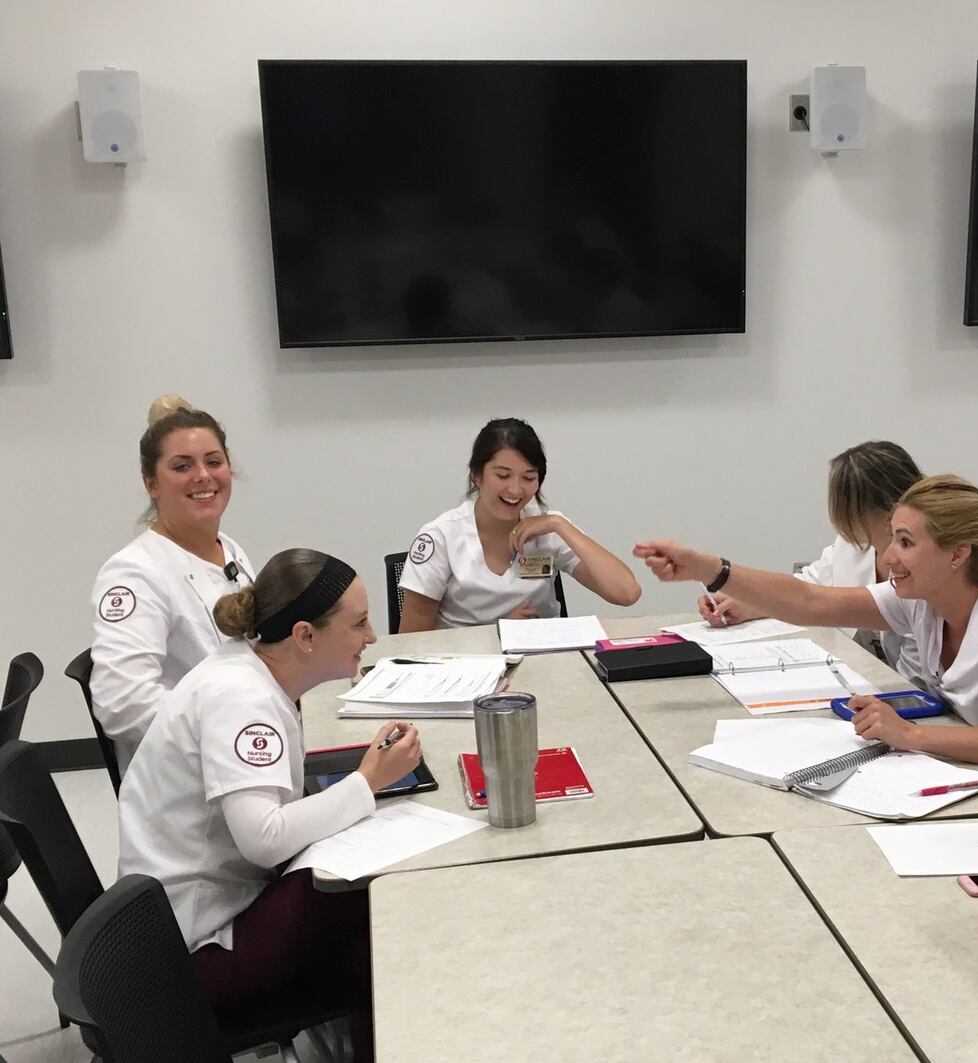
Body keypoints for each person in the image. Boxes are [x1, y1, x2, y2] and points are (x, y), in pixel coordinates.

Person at [118, 549, 420, 1063]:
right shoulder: (242, 700)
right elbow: (264, 840)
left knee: (366, 915)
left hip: (189, 918)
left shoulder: (246, 670)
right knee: (383, 903)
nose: (371, 637)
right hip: (196, 954)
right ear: (305, 636)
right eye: (360, 623)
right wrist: (366, 784)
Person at [636, 475, 978, 788]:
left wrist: (913, 737)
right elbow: (809, 602)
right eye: (890, 541)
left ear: (958, 553)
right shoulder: (923, 599)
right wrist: (711, 569)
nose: (887, 559)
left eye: (905, 543)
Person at [90, 396, 256, 770]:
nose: (203, 476)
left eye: (214, 462)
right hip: (188, 779)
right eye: (182, 466)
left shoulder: (229, 549)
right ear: (151, 483)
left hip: (245, 753)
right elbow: (122, 704)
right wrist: (229, 724)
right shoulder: (133, 575)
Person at [701, 440, 929, 682]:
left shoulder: (928, 567)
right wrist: (749, 604)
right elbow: (807, 589)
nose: (846, 523)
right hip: (871, 682)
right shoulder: (853, 544)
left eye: (850, 511)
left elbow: (918, 683)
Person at [399, 417, 640, 630]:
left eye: (529, 477)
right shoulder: (441, 536)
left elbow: (626, 593)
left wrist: (559, 524)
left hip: (542, 663)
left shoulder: (548, 527)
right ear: (476, 474)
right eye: (502, 475)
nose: (515, 489)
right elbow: (412, 642)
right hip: (465, 668)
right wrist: (500, 633)